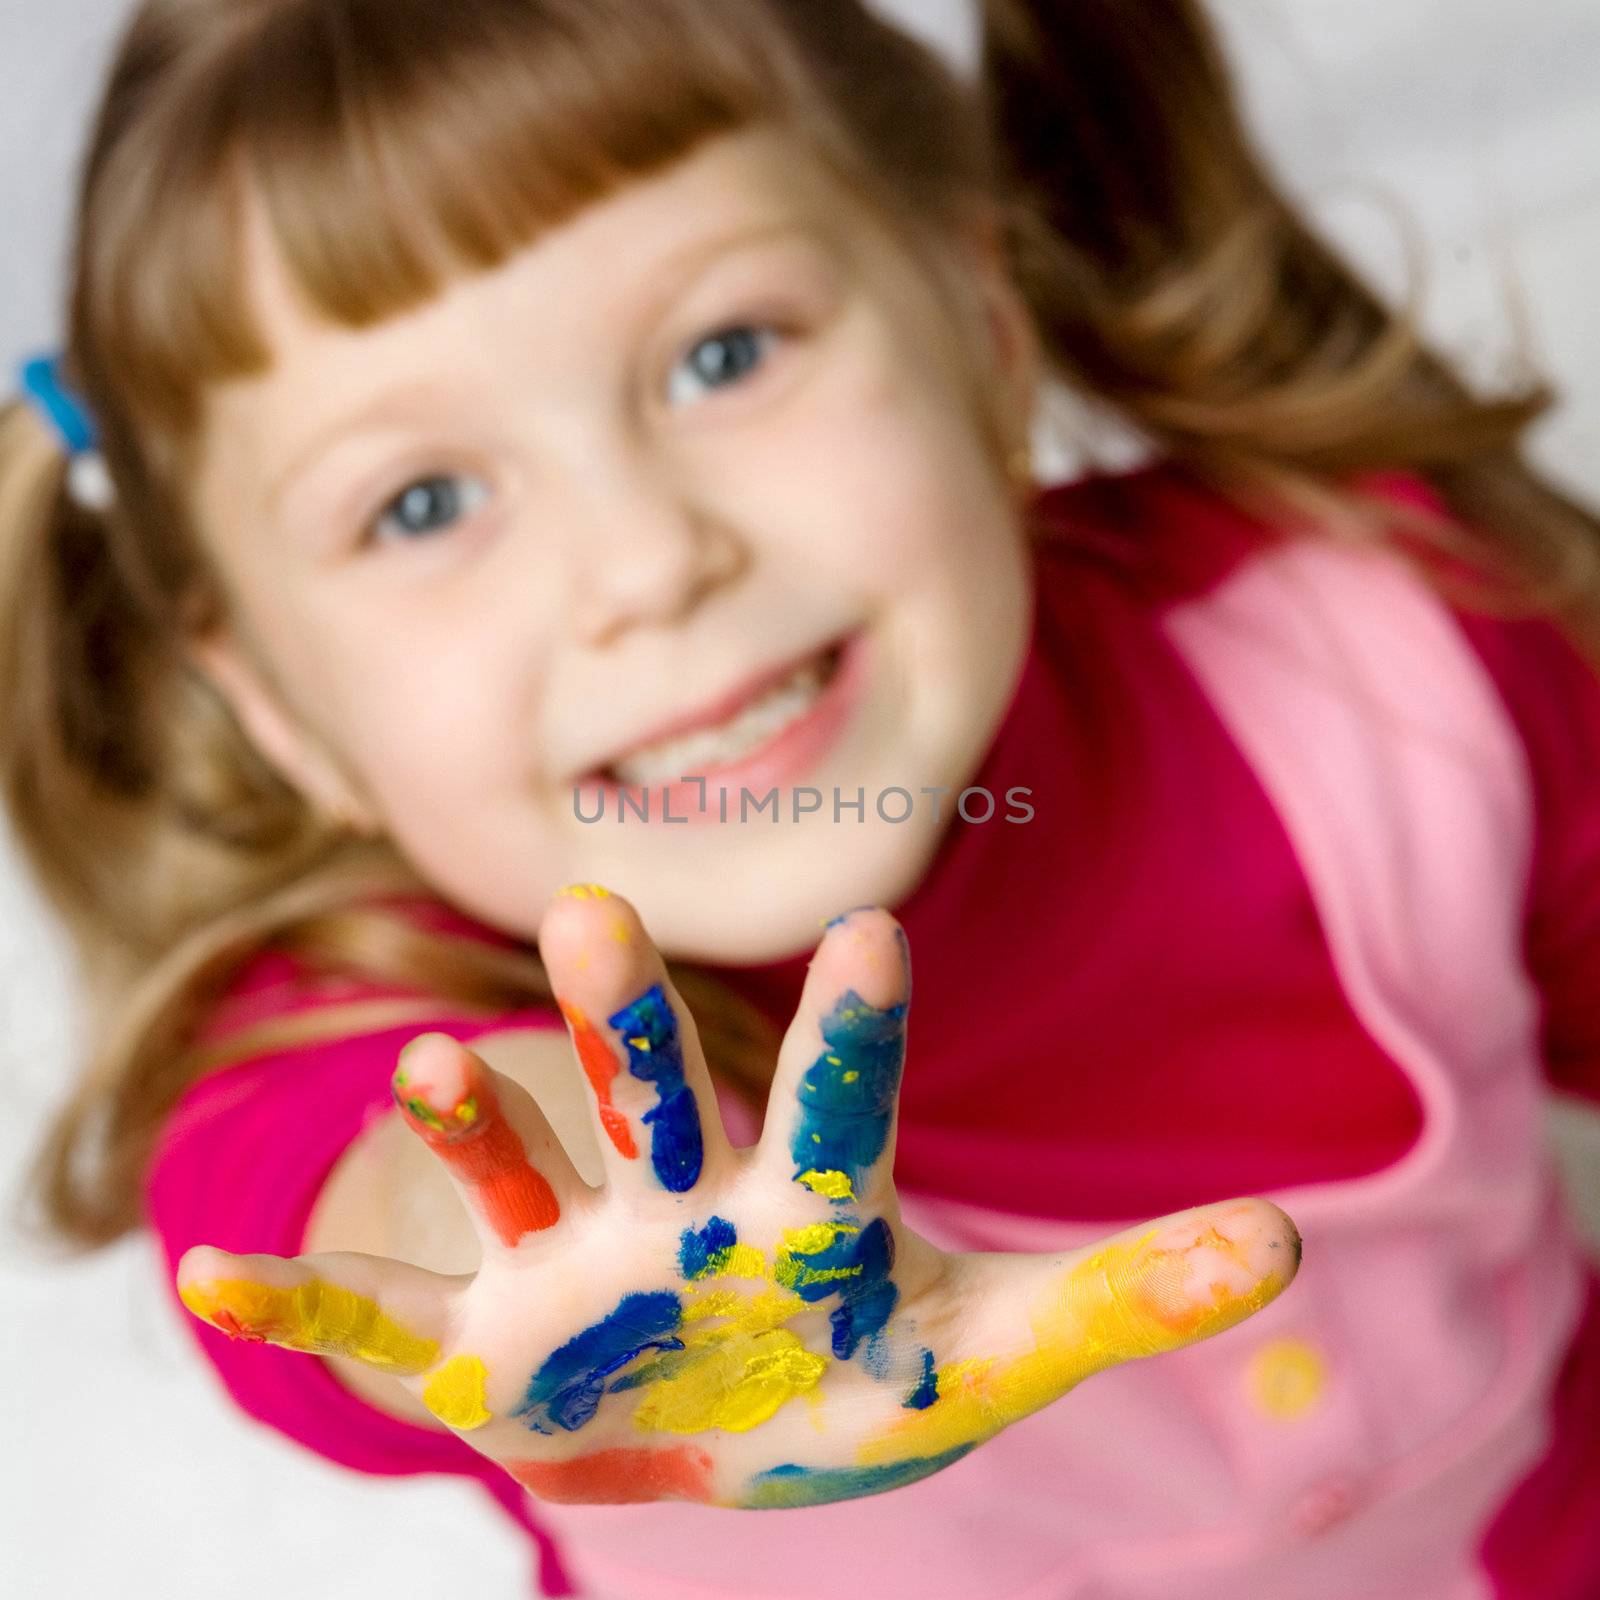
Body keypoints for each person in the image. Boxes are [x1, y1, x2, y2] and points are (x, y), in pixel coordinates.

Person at [4, 0, 1598, 1595]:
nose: (647, 561)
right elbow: (374, 1207)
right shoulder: (334, 1032)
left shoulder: (1397, 649)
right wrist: (564, 1247)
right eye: (421, 503)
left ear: (980, 329)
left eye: (724, 355)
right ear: (276, 708)